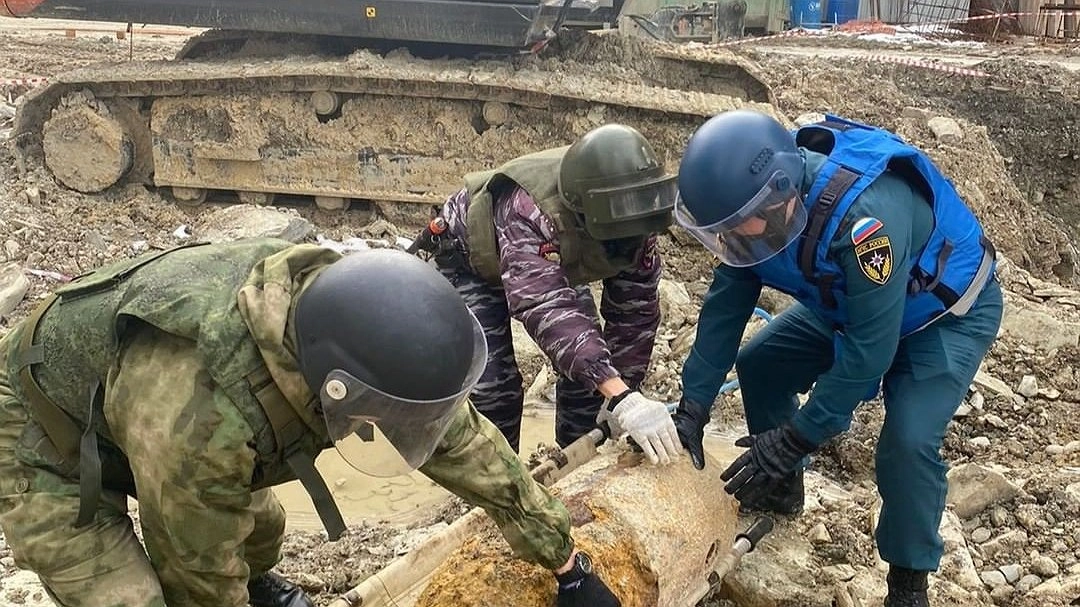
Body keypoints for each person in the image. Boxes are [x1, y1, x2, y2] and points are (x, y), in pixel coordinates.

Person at [0, 239, 621, 607]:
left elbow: (464, 447)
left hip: (138, 417)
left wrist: (567, 563)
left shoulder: (356, 326)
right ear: (334, 388)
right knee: (134, 599)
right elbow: (198, 576)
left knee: (261, 532)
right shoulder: (202, 419)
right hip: (40, 433)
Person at [670, 110, 1002, 607]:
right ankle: (781, 488)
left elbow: (870, 355)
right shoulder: (756, 214)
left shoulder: (866, 223)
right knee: (762, 362)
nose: (734, 238)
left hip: (941, 316)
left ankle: (908, 582)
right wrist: (692, 405)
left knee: (907, 442)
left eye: (739, 225)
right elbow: (725, 309)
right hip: (852, 306)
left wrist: (798, 437)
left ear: (781, 193)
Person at [414, 123, 683, 466]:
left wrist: (622, 394)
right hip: (471, 264)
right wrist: (618, 392)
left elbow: (636, 311)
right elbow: (545, 307)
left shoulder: (635, 210)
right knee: (493, 389)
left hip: (555, 262)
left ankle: (579, 465)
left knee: (592, 383)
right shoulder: (530, 212)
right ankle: (497, 488)